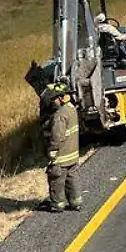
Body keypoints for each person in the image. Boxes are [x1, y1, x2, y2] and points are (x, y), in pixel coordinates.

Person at [39, 83, 82, 212]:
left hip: (61, 156)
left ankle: (57, 204)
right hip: (73, 154)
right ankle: (76, 202)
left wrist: (52, 151)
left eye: (54, 99)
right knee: (72, 178)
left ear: (61, 98)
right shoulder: (72, 109)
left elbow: (57, 136)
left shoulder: (60, 115)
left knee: (56, 179)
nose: (53, 102)